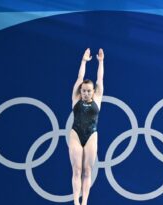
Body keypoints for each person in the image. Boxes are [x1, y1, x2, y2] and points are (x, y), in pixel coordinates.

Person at [69, 48, 104, 205]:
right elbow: (79, 77)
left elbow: (100, 80)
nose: (86, 93)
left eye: (89, 91)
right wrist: (83, 61)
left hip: (91, 134)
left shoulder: (97, 97)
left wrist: (100, 62)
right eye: (83, 91)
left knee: (87, 171)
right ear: (80, 91)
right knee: (76, 170)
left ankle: (85, 203)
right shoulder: (76, 98)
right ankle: (76, 202)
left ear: (93, 91)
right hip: (76, 134)